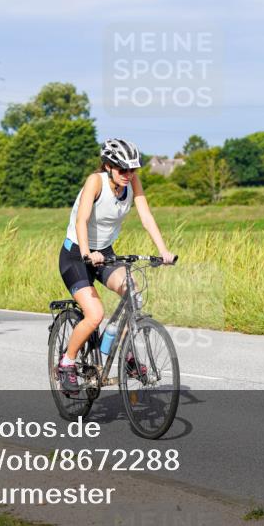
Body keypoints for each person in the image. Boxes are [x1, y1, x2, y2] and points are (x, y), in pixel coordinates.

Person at [57, 138, 175, 394]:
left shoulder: (131, 182)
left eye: (133, 169)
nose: (128, 175)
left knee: (133, 294)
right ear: (109, 166)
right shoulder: (95, 182)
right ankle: (67, 362)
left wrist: (163, 251)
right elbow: (82, 220)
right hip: (77, 254)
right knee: (95, 314)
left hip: (105, 253)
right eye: (123, 169)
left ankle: (126, 356)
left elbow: (146, 216)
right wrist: (88, 253)